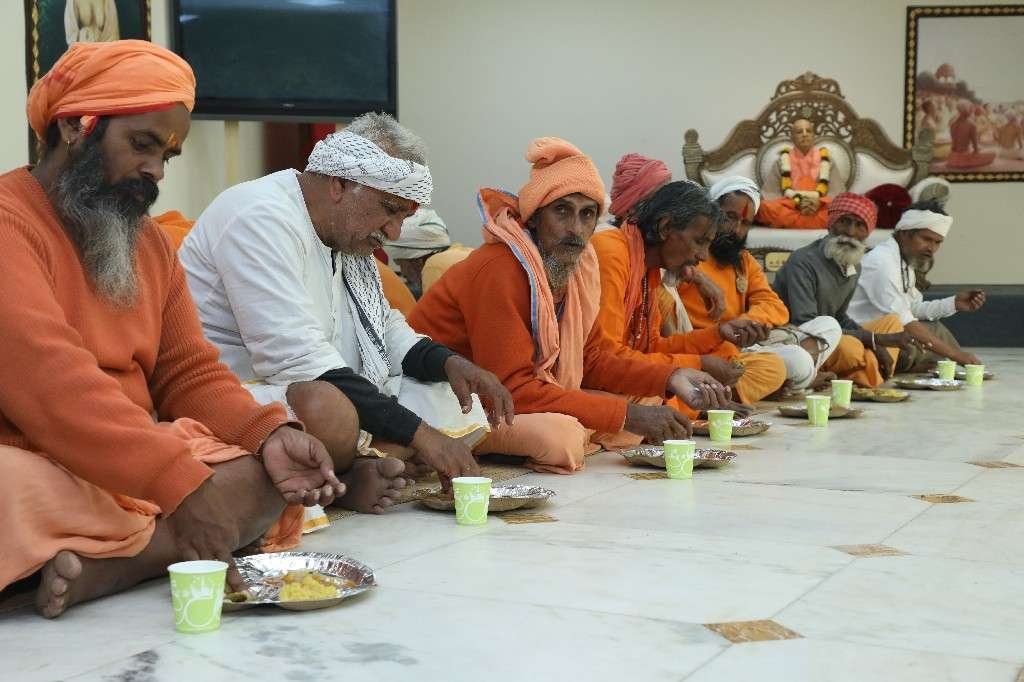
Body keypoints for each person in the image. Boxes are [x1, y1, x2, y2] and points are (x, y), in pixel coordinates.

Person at [0, 40, 342, 618]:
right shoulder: (10, 223)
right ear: (76, 128)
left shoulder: (149, 241)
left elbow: (187, 370)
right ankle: (160, 544)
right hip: (32, 451)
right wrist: (177, 483)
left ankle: (112, 567)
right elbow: (51, 388)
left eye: (167, 155)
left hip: (130, 453)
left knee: (261, 473)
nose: (155, 171)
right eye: (141, 145)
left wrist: (266, 433)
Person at [181, 113, 514, 512]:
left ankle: (358, 467)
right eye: (389, 210)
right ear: (340, 184)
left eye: (402, 218)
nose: (392, 233)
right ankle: (354, 471)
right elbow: (300, 363)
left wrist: (450, 364)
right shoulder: (260, 216)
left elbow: (385, 330)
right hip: (241, 394)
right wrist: (422, 436)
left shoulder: (346, 236)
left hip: (313, 383)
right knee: (328, 411)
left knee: (448, 395)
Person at [408, 138, 732, 474]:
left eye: (587, 214)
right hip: (449, 400)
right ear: (534, 217)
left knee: (643, 402)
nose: (575, 229)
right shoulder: (500, 267)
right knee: (560, 437)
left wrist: (672, 375)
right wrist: (628, 415)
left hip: (514, 396)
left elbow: (593, 359)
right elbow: (513, 388)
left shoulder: (577, 266)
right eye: (562, 211)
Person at [591, 169, 782, 414]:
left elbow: (652, 347)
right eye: (699, 241)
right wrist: (698, 365)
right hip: (594, 380)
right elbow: (607, 360)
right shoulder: (612, 252)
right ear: (665, 227)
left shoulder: (648, 268)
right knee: (652, 401)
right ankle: (694, 403)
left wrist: (718, 333)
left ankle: (695, 401)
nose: (702, 256)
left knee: (724, 354)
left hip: (620, 375)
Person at [676, 177, 842, 393]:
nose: (736, 230)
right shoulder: (691, 253)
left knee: (828, 325)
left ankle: (787, 380)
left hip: (745, 343)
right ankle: (796, 380)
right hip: (709, 347)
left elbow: (775, 306)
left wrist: (743, 324)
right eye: (730, 217)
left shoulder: (743, 260)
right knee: (798, 360)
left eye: (745, 223)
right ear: (712, 212)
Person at [772, 193, 915, 387]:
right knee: (852, 349)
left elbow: (840, 317)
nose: (850, 231)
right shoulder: (803, 261)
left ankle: (862, 375)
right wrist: (874, 340)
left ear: (868, 232)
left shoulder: (854, 265)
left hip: (832, 334)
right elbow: (805, 324)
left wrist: (875, 341)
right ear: (830, 224)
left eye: (860, 225)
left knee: (892, 323)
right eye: (844, 222)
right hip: (799, 339)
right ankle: (865, 376)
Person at [849, 200, 984, 372]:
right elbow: (905, 321)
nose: (932, 248)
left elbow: (913, 308)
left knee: (933, 327)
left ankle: (940, 366)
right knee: (922, 337)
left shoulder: (904, 261)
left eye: (938, 242)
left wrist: (954, 303)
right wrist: (955, 355)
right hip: (865, 337)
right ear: (905, 233)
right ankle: (939, 366)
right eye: (926, 239)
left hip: (891, 332)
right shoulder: (882, 262)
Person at [757, 118, 847, 229]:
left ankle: (796, 223)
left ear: (814, 135)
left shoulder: (827, 160)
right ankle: (811, 223)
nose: (804, 134)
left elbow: (837, 194)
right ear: (792, 138)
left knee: (843, 209)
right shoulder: (782, 161)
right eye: (799, 132)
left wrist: (819, 203)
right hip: (791, 209)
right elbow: (770, 195)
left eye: (808, 131)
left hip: (819, 209)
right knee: (763, 207)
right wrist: (796, 203)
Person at [382, 207, 451, 298]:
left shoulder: (433, 269)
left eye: (400, 264)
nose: (403, 272)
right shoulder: (455, 258)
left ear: (418, 261)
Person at [947, 101, 996, 169]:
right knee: (993, 152)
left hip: (953, 157)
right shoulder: (971, 124)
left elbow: (954, 143)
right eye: (970, 109)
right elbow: (975, 147)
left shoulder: (953, 123)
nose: (972, 111)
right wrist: (978, 150)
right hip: (964, 157)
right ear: (966, 110)